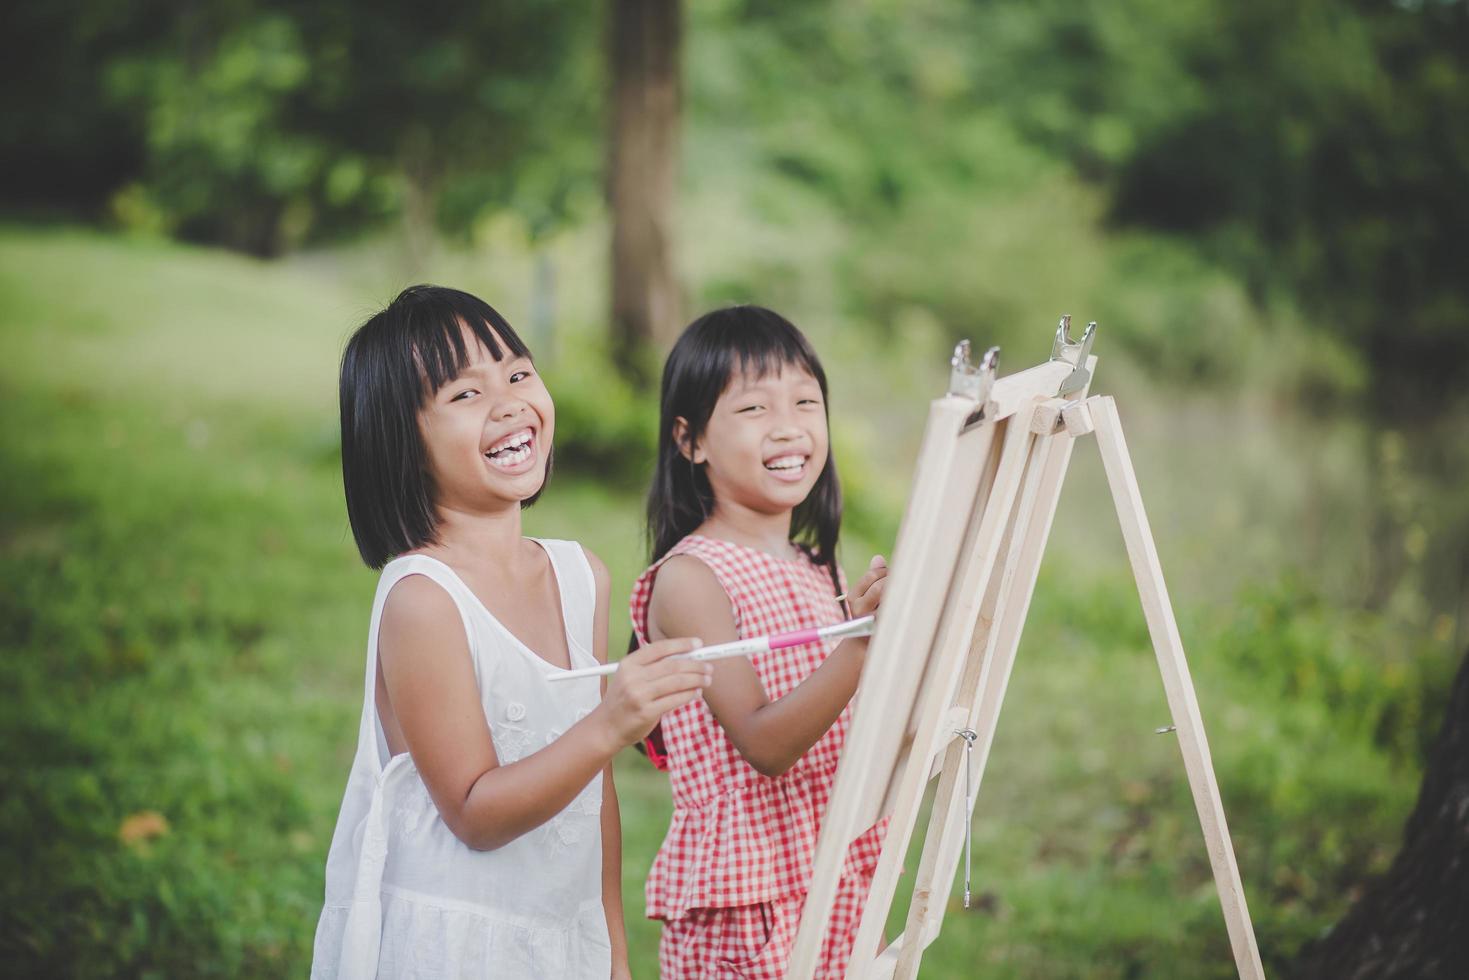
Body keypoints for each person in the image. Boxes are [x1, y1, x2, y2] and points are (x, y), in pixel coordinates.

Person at [312, 285, 711, 979]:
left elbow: (593, 794)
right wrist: (610, 723)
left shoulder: (579, 576)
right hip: (452, 948)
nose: (509, 403)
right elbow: (473, 813)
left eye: (519, 374)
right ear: (401, 441)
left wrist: (610, 945)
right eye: (464, 395)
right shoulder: (423, 600)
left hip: (558, 938)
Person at [631, 305, 890, 978]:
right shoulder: (692, 577)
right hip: (744, 904)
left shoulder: (814, 568)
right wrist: (863, 645)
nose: (789, 426)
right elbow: (763, 742)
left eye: (806, 401)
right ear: (690, 441)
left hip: (826, 873)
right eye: (753, 409)